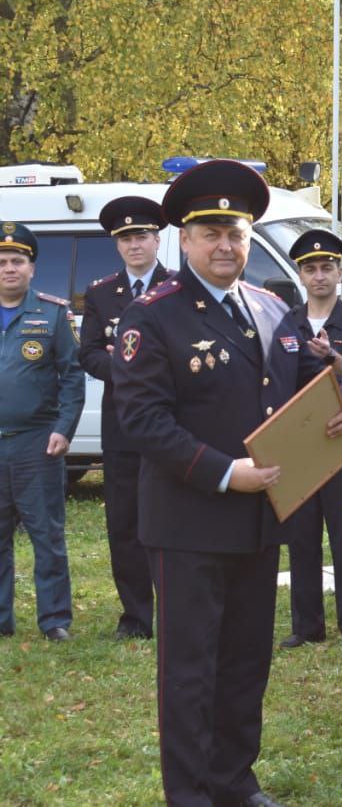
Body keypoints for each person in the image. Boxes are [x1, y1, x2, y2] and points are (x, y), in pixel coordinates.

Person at [111, 160, 342, 805]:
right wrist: (226, 473)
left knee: (248, 663)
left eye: (236, 232)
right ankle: (192, 793)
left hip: (261, 520)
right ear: (185, 240)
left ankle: (234, 780)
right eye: (211, 233)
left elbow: (321, 371)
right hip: (189, 522)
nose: (226, 245)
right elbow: (142, 420)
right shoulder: (154, 317)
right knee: (191, 670)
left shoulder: (272, 306)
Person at [79, 196, 172, 640]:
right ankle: (136, 616)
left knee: (173, 520)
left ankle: (176, 608)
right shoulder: (100, 294)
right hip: (122, 428)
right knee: (125, 525)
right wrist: (124, 366)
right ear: (117, 246)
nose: (134, 245)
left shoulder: (178, 288)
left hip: (172, 425)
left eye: (141, 236)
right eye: (125, 238)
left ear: (157, 239)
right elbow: (89, 353)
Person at [278, 229, 342, 652]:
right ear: (300, 275)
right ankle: (306, 625)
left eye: (327, 267)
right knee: (301, 538)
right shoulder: (284, 323)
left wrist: (338, 370)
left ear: (340, 272)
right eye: (310, 269)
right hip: (299, 446)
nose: (319, 276)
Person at [0, 222, 85, 641]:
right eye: (2, 262)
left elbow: (72, 377)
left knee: (46, 536)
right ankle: (1, 621)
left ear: (32, 268)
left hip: (38, 442)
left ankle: (55, 621)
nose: (9, 269)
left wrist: (64, 428)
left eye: (17, 261)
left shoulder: (52, 313)